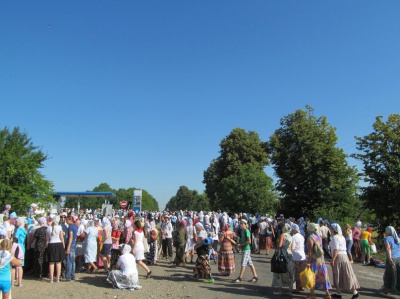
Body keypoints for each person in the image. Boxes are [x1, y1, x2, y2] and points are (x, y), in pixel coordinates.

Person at [329, 223, 360, 299]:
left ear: (333, 230)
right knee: (347, 273)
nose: (330, 230)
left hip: (339, 256)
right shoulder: (341, 237)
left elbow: (336, 249)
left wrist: (333, 259)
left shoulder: (335, 238)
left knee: (337, 273)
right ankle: (352, 291)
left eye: (331, 228)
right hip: (344, 256)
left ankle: (340, 292)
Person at [306, 223, 332, 299]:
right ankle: (327, 294)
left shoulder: (310, 238)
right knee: (323, 275)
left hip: (314, 260)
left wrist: (308, 261)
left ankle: (312, 294)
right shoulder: (318, 236)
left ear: (310, 229)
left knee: (312, 276)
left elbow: (310, 251)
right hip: (321, 259)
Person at [272, 223, 294, 295]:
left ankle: (280, 290)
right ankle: (290, 290)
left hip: (283, 254)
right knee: (289, 272)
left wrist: (278, 244)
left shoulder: (283, 235)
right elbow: (292, 247)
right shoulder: (291, 236)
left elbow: (280, 245)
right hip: (290, 254)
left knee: (280, 271)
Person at [380, 226, 400, 295]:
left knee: (389, 274)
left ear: (388, 232)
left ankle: (388, 288)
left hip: (392, 258)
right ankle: (397, 287)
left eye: (386, 231)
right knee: (397, 274)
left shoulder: (387, 239)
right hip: (398, 258)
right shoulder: (397, 239)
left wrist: (389, 258)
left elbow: (388, 249)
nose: (385, 232)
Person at [46, 215, 66, 283]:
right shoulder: (59, 227)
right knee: (58, 262)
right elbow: (61, 237)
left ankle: (51, 279)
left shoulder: (48, 228)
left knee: (51, 263)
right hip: (58, 244)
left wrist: (47, 246)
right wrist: (63, 245)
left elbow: (47, 239)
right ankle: (57, 278)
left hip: (51, 244)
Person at [291, 223, 307, 294]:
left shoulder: (294, 237)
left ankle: (297, 288)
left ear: (294, 230)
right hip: (303, 256)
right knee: (302, 272)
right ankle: (302, 286)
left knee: (297, 273)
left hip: (296, 257)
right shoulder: (302, 236)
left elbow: (293, 247)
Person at [65, 215, 78, 281]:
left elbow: (70, 237)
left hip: (71, 243)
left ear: (70, 220)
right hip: (74, 243)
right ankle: (73, 275)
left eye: (67, 220)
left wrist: (68, 247)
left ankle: (68, 276)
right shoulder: (75, 226)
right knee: (72, 260)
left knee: (69, 260)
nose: (66, 221)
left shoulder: (70, 227)